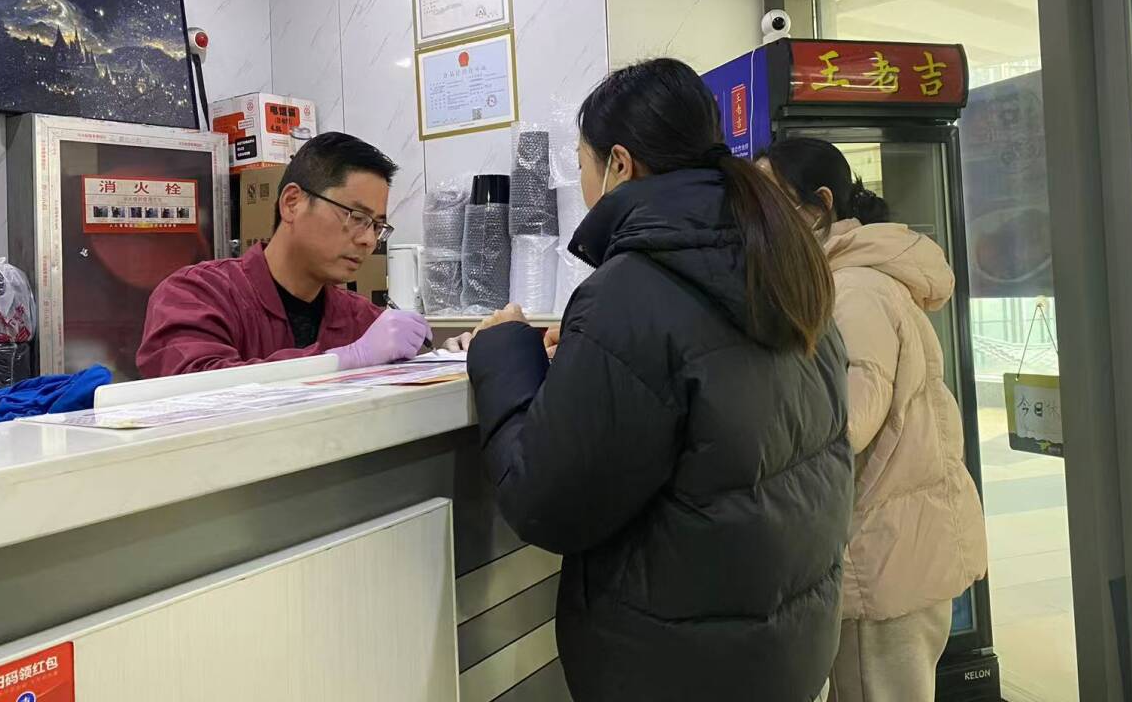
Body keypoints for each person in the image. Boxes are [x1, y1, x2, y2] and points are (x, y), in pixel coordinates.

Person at [465, 59, 853, 702]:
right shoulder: (777, 257)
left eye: (583, 164)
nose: (583, 183)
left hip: (677, 667)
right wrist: (593, 354)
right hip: (787, 649)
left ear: (619, 164)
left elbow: (544, 502)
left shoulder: (633, 288)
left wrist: (502, 350)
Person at [764, 137, 989, 702]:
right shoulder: (851, 280)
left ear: (820, 205)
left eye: (772, 202)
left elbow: (848, 423)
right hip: (896, 548)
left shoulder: (855, 290)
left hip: (882, 559)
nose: (759, 221)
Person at [137, 132, 429, 378]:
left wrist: (448, 355)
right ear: (292, 203)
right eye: (356, 217)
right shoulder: (197, 294)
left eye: (376, 226)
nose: (368, 240)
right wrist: (339, 360)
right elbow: (193, 389)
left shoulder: (359, 317)